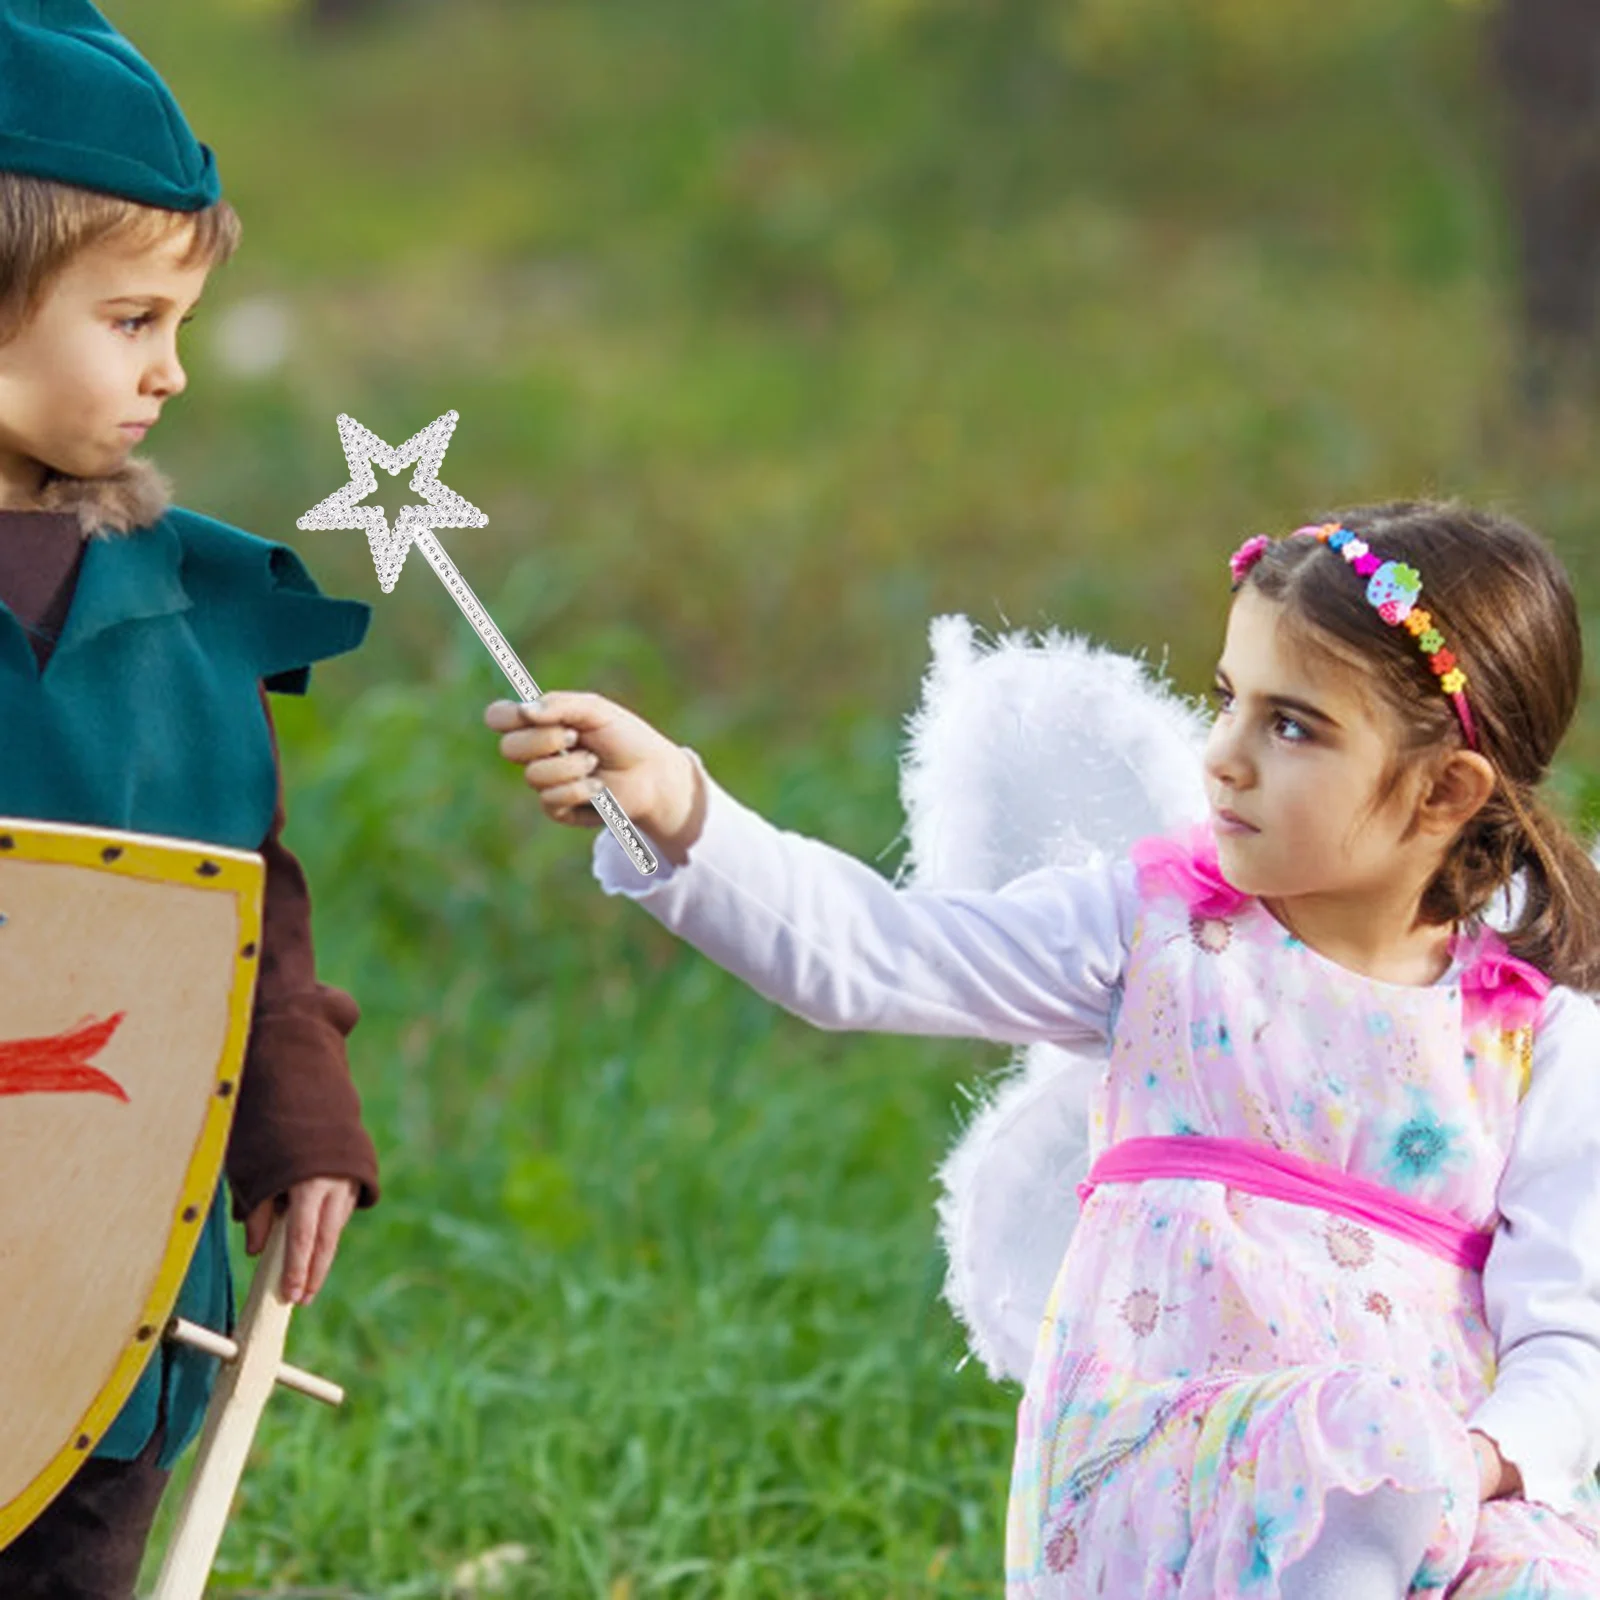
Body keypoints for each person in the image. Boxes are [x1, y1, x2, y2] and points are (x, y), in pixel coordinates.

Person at [487, 501, 1600, 1596]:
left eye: (1292, 725)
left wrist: (1474, 1462)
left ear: (1446, 789)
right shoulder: (1161, 932)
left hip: (1416, 1491)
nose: (1223, 756)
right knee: (1366, 1443)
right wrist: (685, 809)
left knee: (1531, 1566)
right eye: (1228, 700)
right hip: (1158, 1483)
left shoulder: (1531, 1044)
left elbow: (1569, 1339)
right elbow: (876, 955)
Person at [0, 4, 378, 1594]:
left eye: (182, 322)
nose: (170, 370)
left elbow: (244, 905)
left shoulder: (189, 608)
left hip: (113, 1291)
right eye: (133, 318)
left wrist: (295, 1125)